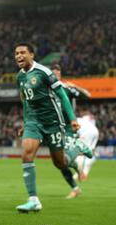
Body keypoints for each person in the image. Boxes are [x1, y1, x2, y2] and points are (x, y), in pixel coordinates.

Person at [15, 43, 92, 213]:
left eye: (22, 53)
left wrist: (72, 119)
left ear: (32, 55)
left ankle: (76, 147)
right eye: (16, 53)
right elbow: (25, 101)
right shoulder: (19, 77)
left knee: (60, 163)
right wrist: (24, 122)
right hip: (33, 122)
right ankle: (33, 200)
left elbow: (62, 95)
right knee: (26, 154)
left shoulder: (44, 72)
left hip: (53, 123)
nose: (19, 56)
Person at [51, 64, 91, 198]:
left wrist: (75, 86)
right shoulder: (46, 90)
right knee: (58, 162)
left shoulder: (65, 88)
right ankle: (75, 181)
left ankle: (79, 146)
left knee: (63, 160)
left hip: (68, 127)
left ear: (60, 75)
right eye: (53, 74)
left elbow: (87, 95)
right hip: (54, 128)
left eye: (57, 74)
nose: (55, 76)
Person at [75, 108, 99, 182]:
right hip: (95, 132)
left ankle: (79, 174)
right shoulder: (89, 118)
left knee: (81, 152)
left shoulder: (77, 119)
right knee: (91, 151)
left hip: (87, 132)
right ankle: (85, 172)